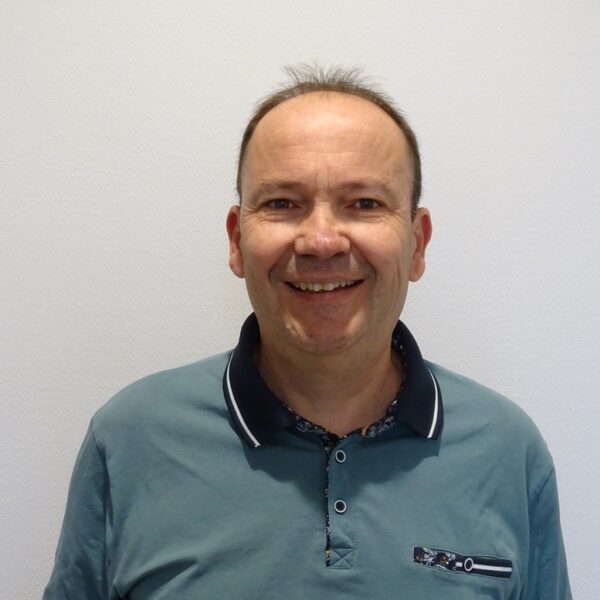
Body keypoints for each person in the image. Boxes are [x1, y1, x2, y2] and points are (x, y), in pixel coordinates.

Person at [44, 67, 571, 599]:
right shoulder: (130, 440)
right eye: (282, 204)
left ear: (417, 243)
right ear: (237, 241)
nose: (321, 241)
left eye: (364, 203)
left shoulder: (507, 451)